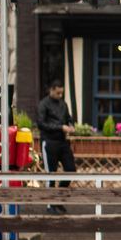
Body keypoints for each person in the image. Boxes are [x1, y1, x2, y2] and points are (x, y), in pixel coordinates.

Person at [36, 80, 76, 211]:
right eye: (58, 93)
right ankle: (50, 204)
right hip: (49, 142)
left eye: (61, 93)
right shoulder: (43, 104)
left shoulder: (63, 104)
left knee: (71, 170)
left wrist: (71, 125)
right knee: (51, 174)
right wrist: (60, 127)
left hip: (63, 142)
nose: (60, 95)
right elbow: (41, 124)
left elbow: (69, 118)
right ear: (51, 90)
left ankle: (58, 197)